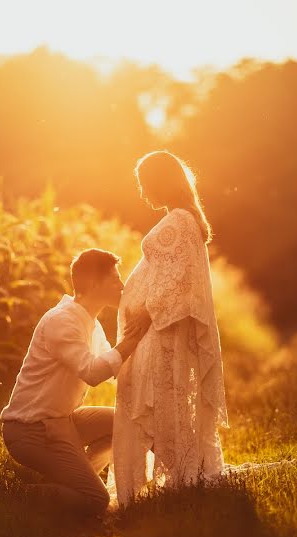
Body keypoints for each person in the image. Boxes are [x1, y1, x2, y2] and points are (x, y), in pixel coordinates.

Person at [108, 150, 230, 506]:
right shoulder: (183, 218)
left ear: (161, 181)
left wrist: (146, 312)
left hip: (161, 331)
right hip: (157, 330)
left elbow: (180, 282)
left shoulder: (179, 220)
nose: (142, 192)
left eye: (145, 184)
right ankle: (180, 478)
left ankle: (180, 479)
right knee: (161, 401)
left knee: (158, 401)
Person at [0, 248, 151, 515]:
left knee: (126, 424)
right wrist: (130, 342)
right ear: (94, 284)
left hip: (62, 422)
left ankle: (75, 475)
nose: (122, 286)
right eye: (115, 280)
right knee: (96, 501)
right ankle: (20, 494)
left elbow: (114, 367)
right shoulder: (62, 321)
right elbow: (93, 373)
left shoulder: (91, 323)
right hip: (32, 431)